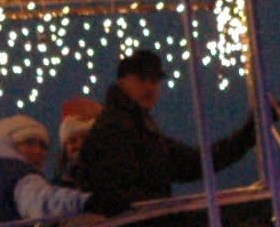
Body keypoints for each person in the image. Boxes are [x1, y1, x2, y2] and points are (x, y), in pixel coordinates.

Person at [67, 47, 259, 215]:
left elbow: (194, 162)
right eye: (142, 78)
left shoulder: (139, 127)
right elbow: (117, 197)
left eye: (154, 80)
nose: (149, 86)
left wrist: (249, 134)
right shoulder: (116, 128)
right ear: (123, 82)